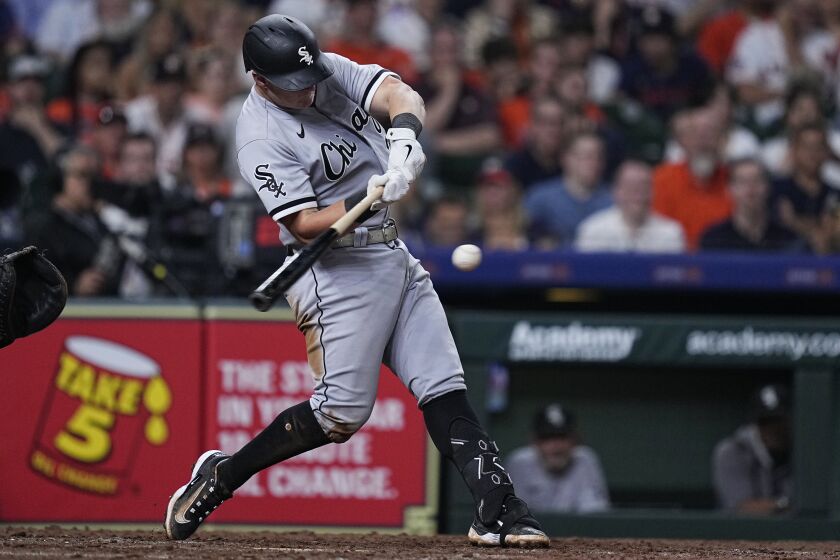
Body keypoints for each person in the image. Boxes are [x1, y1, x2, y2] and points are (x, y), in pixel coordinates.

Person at [163, 15, 549, 548]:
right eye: (293, 84)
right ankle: (223, 475)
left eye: (309, 76)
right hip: (334, 270)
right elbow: (303, 222)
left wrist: (404, 139)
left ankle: (500, 510)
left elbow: (398, 93)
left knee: (442, 382)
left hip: (389, 250)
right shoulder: (259, 135)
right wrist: (365, 196)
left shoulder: (323, 70)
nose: (308, 89)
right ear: (260, 80)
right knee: (340, 414)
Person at [506, 403, 610, 514]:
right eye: (547, 438)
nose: (556, 446)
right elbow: (512, 515)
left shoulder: (585, 461)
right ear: (534, 442)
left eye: (562, 437)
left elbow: (595, 513)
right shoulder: (519, 464)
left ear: (575, 440)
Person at [712, 384, 793, 514]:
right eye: (765, 421)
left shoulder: (802, 450)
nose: (773, 429)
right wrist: (785, 505)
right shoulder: (732, 451)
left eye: (779, 421)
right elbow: (741, 508)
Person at [575, 160, 685, 253]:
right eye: (629, 187)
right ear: (616, 191)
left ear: (653, 191)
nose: (637, 193)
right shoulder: (593, 231)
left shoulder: (671, 233)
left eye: (643, 186)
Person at [524, 132, 612, 248]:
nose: (594, 163)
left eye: (599, 157)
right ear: (566, 159)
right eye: (587, 157)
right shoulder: (540, 198)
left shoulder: (613, 199)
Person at [700, 158, 804, 252]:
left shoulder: (789, 241)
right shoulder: (714, 239)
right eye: (742, 182)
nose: (750, 188)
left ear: (768, 187)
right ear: (729, 189)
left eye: (756, 180)